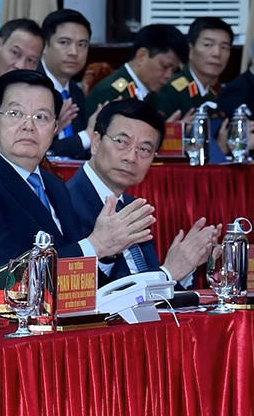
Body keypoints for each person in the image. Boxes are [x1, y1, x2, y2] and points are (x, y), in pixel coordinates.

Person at [0, 69, 156, 270]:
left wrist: (107, 252)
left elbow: (79, 270)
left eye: (41, 117)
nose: (28, 126)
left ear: (55, 129)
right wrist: (96, 245)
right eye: (15, 113)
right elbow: (5, 272)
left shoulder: (55, 185)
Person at [63, 97, 220, 286]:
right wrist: (169, 273)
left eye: (144, 149)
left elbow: (146, 282)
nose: (131, 157)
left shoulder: (131, 206)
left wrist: (185, 267)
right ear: (96, 142)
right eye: (121, 141)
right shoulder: (65, 202)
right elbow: (91, 291)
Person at [86, 22, 187, 110]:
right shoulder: (109, 93)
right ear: (142, 56)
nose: (169, 76)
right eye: (164, 66)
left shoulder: (154, 95)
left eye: (174, 70)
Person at [39, 8, 94, 159]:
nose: (74, 52)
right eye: (64, 42)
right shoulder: (29, 87)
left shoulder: (77, 93)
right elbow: (42, 154)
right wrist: (87, 136)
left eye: (82, 44)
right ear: (45, 46)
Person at [163, 16, 233, 113]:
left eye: (224, 47)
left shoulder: (216, 94)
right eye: (207, 45)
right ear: (190, 50)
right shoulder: (171, 92)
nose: (217, 53)